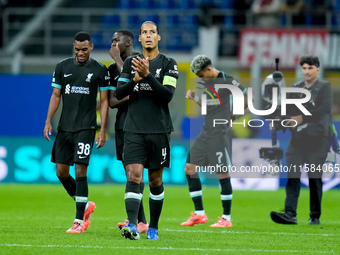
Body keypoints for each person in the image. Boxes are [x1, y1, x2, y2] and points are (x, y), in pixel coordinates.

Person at [116, 21, 178, 240]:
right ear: (140, 39)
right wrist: (135, 78)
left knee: (155, 181)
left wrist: (148, 76)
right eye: (144, 33)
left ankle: (154, 226)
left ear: (158, 37)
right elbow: (119, 92)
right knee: (133, 175)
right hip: (133, 129)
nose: (149, 36)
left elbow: (167, 95)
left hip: (159, 130)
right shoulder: (130, 63)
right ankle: (132, 225)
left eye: (152, 32)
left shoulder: (169, 63)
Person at [44, 31, 112, 233]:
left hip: (86, 127)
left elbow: (106, 101)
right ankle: (86, 205)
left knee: (80, 170)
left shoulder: (100, 70)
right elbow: (56, 95)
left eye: (84, 49)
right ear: (73, 47)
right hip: (64, 127)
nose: (80, 53)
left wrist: (102, 130)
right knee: (61, 172)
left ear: (91, 47)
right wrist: (48, 121)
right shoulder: (62, 66)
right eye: (77, 49)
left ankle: (79, 221)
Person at [180, 55, 247, 228]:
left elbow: (248, 97)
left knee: (222, 173)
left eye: (201, 75)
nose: (200, 78)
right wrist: (195, 98)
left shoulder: (227, 81)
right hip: (205, 132)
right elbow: (208, 107)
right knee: (189, 168)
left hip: (219, 134)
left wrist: (234, 115)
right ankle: (199, 214)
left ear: (209, 70)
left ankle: (226, 218)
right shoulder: (208, 84)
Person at [270, 56, 333, 225]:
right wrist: (278, 123)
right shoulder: (296, 88)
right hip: (297, 139)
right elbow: (288, 112)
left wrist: (302, 118)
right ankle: (290, 213)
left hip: (318, 139)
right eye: (304, 68)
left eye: (310, 68)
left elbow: (324, 109)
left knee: (314, 178)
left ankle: (315, 215)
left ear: (318, 69)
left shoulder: (325, 87)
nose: (306, 71)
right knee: (293, 176)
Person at [107, 29, 149, 233]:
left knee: (136, 173)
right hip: (122, 124)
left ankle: (140, 221)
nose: (113, 43)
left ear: (129, 42)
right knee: (131, 174)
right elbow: (113, 101)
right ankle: (140, 221)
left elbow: (138, 86)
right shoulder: (111, 69)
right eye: (112, 40)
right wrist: (130, 94)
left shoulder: (141, 61)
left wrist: (117, 60)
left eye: (117, 40)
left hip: (140, 124)